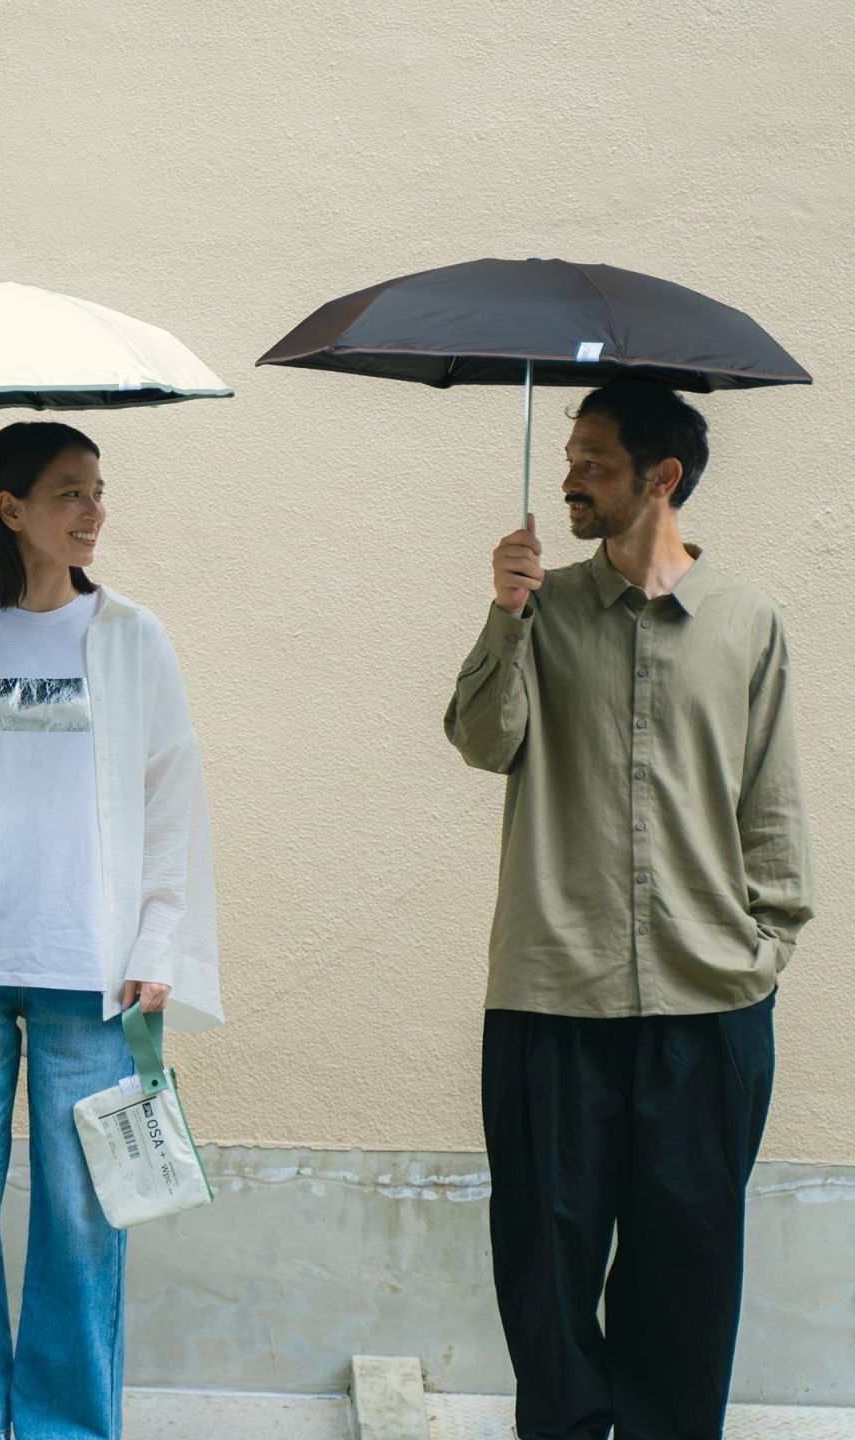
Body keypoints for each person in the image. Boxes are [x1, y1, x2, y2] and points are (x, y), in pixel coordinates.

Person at [444, 380, 812, 1440]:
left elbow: (771, 803)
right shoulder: (543, 607)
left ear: (663, 477)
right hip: (551, 997)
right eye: (570, 457)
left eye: (593, 462)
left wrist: (766, 946)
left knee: (686, 1273)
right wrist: (506, 613)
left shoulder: (747, 622)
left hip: (709, 1003)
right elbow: (483, 741)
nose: (570, 478)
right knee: (545, 1267)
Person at [0, 420, 222, 1440]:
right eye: (70, 492)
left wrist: (158, 944)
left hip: (93, 974)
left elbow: (171, 798)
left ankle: (68, 1428)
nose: (93, 510)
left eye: (98, 490)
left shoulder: (133, 637)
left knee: (83, 1225)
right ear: (11, 508)